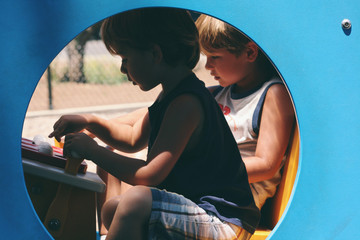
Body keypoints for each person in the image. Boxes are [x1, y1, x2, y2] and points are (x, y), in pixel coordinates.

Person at [49, 8, 260, 240]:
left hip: (223, 223)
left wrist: (93, 151)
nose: (122, 69)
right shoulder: (170, 95)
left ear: (155, 53)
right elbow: (131, 138)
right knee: (113, 209)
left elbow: (149, 175)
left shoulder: (186, 102)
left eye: (125, 59)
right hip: (200, 215)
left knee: (135, 202)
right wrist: (89, 122)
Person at [195, 14, 295, 209]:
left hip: (233, 203)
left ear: (250, 53)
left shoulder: (272, 94)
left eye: (214, 56)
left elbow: (266, 165)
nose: (207, 66)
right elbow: (152, 115)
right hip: (207, 190)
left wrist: (199, 170)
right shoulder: (218, 94)